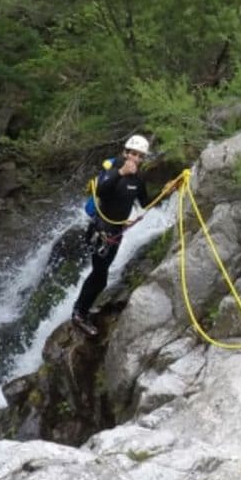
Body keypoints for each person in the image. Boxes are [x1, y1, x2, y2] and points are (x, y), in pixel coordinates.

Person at [71, 134, 151, 336]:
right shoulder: (113, 170)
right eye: (133, 154)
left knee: (101, 273)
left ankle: (83, 308)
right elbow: (101, 190)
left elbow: (145, 203)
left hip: (116, 232)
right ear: (125, 152)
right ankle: (79, 313)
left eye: (140, 156)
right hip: (100, 231)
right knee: (100, 275)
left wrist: (169, 189)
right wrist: (121, 172)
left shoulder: (139, 179)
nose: (136, 159)